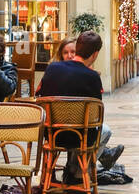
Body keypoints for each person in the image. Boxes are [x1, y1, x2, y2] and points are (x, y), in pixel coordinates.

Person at [35, 30, 122, 183]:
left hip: (52, 134)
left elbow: (40, 97)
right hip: (80, 137)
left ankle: (74, 170)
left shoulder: (52, 69)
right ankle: (77, 173)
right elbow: (96, 116)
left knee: (83, 129)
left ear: (78, 48)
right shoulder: (93, 77)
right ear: (95, 55)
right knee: (104, 131)